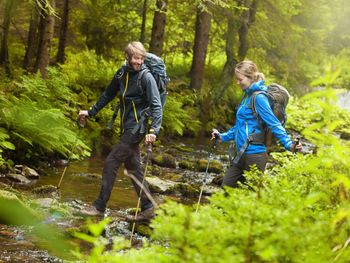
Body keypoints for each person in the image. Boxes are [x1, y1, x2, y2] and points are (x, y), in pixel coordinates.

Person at [78, 41, 162, 220]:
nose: (139, 62)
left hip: (137, 128)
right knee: (133, 168)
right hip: (126, 127)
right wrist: (91, 112)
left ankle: (99, 206)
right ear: (127, 57)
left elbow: (156, 105)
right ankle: (148, 207)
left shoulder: (146, 77)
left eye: (141, 58)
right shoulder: (122, 73)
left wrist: (154, 130)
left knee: (110, 162)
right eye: (136, 58)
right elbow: (108, 94)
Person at [212, 60, 301, 188]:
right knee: (226, 191)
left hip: (254, 156)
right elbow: (240, 126)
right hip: (239, 155)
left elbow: (273, 123)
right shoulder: (246, 97)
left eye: (240, 79)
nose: (237, 83)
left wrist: (288, 144)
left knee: (251, 198)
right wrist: (222, 136)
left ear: (250, 78)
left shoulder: (258, 98)